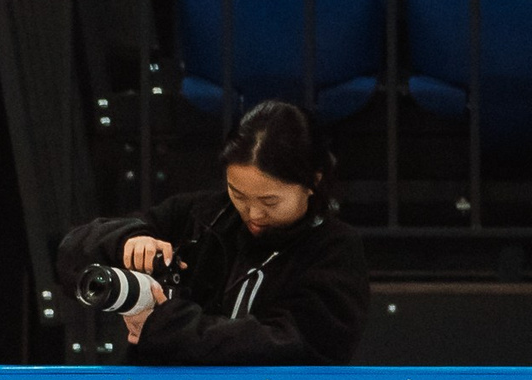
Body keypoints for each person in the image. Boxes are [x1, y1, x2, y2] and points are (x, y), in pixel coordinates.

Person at [56, 99, 369, 365]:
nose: (254, 213)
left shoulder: (335, 249)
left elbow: (285, 344)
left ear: (312, 183)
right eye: (239, 194)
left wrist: (163, 324)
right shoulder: (203, 214)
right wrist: (127, 239)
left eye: (269, 201)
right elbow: (72, 253)